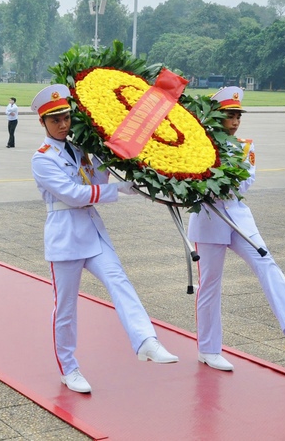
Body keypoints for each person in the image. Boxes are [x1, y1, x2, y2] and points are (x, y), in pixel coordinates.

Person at [30, 84, 177, 394]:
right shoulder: (42, 158)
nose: (63, 124)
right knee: (66, 308)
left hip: (92, 230)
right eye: (55, 119)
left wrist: (107, 160)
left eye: (66, 117)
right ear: (42, 122)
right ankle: (69, 369)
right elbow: (72, 195)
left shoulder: (81, 149)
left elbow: (94, 181)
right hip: (66, 235)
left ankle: (146, 340)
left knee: (119, 281)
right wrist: (116, 191)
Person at [188, 87, 285, 372]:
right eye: (230, 115)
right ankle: (208, 349)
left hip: (238, 216)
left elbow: (245, 182)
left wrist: (223, 177)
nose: (236, 121)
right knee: (210, 287)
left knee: (266, 262)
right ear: (216, 115)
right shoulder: (198, 145)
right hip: (208, 220)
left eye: (238, 116)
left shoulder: (244, 146)